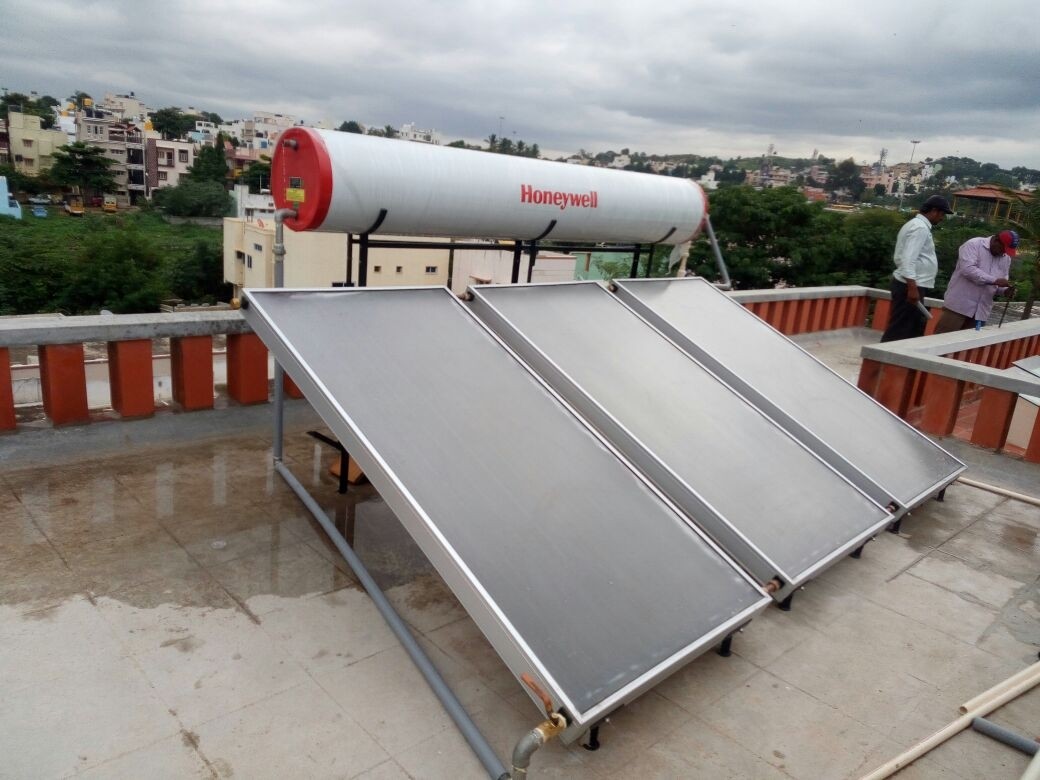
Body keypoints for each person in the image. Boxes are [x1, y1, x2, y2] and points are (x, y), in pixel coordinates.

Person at [880, 195, 953, 342]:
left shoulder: (918, 225)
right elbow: (908, 259)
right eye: (942, 214)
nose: (942, 218)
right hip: (909, 285)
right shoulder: (920, 228)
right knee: (900, 328)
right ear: (934, 211)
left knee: (910, 329)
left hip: (911, 284)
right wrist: (912, 289)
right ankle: (880, 356)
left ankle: (898, 356)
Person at [933, 230, 1018, 333]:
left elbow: (998, 284)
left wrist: (1005, 291)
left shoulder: (1006, 258)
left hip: (981, 313)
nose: (1004, 252)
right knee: (944, 339)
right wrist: (995, 280)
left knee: (971, 343)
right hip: (958, 307)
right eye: (1003, 248)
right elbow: (968, 270)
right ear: (996, 240)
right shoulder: (974, 244)